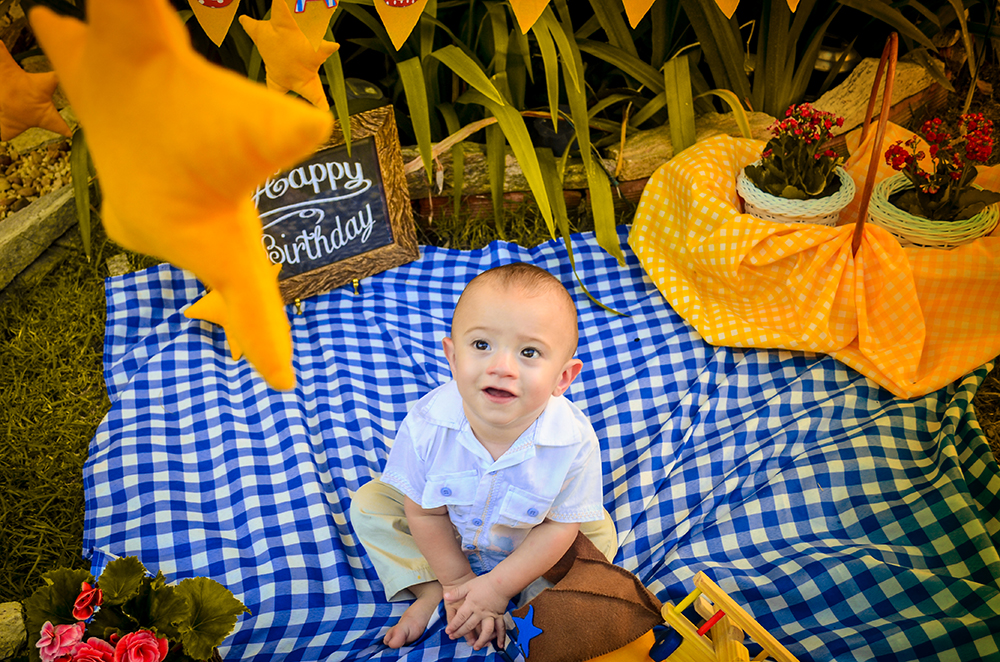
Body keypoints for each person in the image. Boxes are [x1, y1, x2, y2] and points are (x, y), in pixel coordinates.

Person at [349, 262, 618, 652]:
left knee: (595, 531)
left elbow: (557, 529)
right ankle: (430, 589)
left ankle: (529, 601)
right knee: (371, 504)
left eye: (529, 352)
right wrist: (456, 583)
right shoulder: (427, 425)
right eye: (481, 345)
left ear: (564, 377)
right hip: (446, 536)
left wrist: (496, 587)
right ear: (453, 356)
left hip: (530, 542)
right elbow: (424, 512)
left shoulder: (573, 442)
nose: (501, 367)